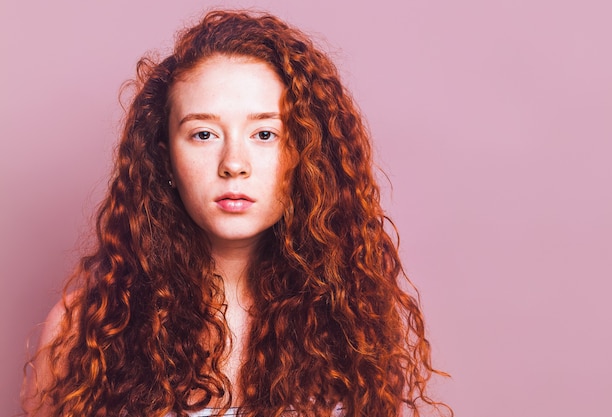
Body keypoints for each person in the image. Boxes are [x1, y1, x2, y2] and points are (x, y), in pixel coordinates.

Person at [22, 9, 450, 417]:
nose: (234, 163)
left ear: (305, 153)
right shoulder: (84, 329)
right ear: (164, 156)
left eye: (265, 133)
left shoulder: (351, 320)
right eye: (203, 134)